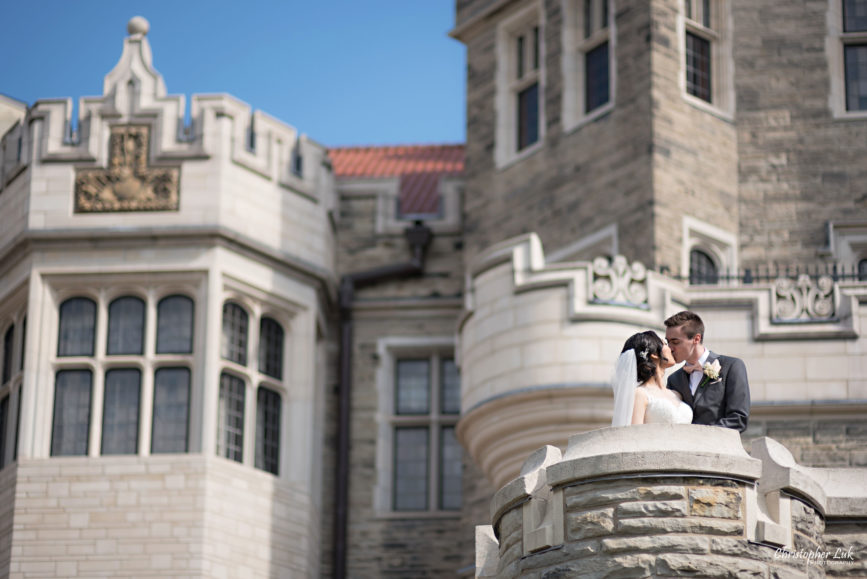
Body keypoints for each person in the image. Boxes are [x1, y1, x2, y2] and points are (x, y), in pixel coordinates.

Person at [664, 311, 750, 432]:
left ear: (696, 339)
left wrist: (702, 437)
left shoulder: (732, 367)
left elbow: (738, 419)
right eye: (668, 342)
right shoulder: (674, 379)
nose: (670, 348)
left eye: (675, 342)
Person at [611, 331, 693, 426]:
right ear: (654, 354)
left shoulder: (677, 394)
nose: (671, 348)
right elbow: (634, 435)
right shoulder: (640, 394)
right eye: (665, 344)